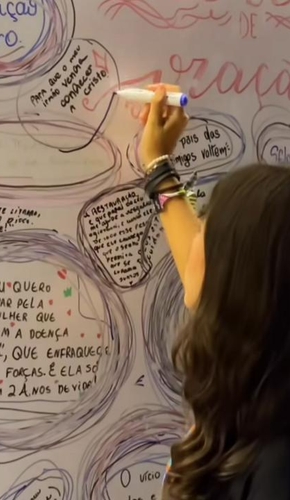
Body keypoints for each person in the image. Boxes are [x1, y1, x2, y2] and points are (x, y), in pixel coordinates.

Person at [140, 84, 290, 498]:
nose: (197, 242)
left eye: (208, 226)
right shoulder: (262, 386)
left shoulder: (277, 467)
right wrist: (158, 167)